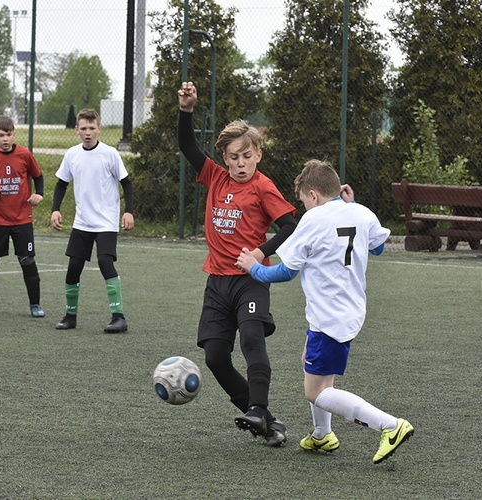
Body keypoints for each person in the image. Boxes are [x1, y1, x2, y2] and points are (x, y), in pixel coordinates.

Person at [236, 159, 414, 464]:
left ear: (314, 195)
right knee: (310, 362)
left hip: (331, 315)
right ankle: (322, 435)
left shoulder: (313, 220)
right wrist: (353, 203)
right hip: (347, 309)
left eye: (305, 201)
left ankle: (390, 425)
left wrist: (254, 269)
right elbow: (378, 247)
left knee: (315, 392)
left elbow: (286, 272)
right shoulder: (359, 212)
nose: (305, 208)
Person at [177, 81, 297, 447]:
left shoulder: (263, 187)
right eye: (233, 157)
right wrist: (186, 110)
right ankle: (267, 420)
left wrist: (260, 253)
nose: (240, 163)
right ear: (225, 159)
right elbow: (186, 145)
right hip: (217, 282)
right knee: (215, 357)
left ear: (258, 154)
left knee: (251, 338)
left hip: (249, 280)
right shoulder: (214, 176)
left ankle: (258, 408)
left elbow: (292, 225)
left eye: (246, 156)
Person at [50, 108, 134, 334]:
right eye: (83, 128)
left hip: (106, 222)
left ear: (99, 129)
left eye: (92, 128)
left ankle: (119, 317)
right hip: (82, 222)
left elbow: (127, 183)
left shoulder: (110, 154)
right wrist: (55, 209)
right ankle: (70, 316)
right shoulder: (72, 154)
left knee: (105, 262)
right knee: (73, 269)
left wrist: (128, 211)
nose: (88, 132)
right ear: (77, 130)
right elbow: (61, 184)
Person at [0, 115, 46, 318]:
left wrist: (39, 193)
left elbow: (38, 176)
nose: (5, 139)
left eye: (9, 134)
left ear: (15, 134)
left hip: (22, 219)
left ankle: (35, 304)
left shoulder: (25, 154)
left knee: (28, 262)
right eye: (1, 135)